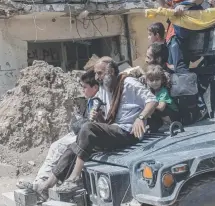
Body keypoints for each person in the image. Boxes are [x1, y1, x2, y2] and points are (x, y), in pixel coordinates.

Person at [31, 57, 158, 198]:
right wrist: (99, 118)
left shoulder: (129, 83)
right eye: (96, 74)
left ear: (111, 71)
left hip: (128, 133)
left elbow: (152, 100)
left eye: (100, 73)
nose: (97, 77)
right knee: (73, 147)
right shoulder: (106, 89)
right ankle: (47, 185)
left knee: (87, 128)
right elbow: (108, 122)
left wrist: (141, 118)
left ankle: (74, 178)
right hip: (114, 130)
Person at [16, 70, 99, 194]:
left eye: (85, 87)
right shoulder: (89, 100)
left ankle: (43, 184)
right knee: (54, 146)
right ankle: (40, 181)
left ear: (95, 87)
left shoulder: (99, 100)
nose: (83, 90)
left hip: (88, 135)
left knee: (62, 147)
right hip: (80, 131)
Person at [148, 0, 204, 73]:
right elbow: (165, 5)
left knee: (180, 68)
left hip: (179, 34)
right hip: (173, 34)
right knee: (174, 68)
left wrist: (183, 5)